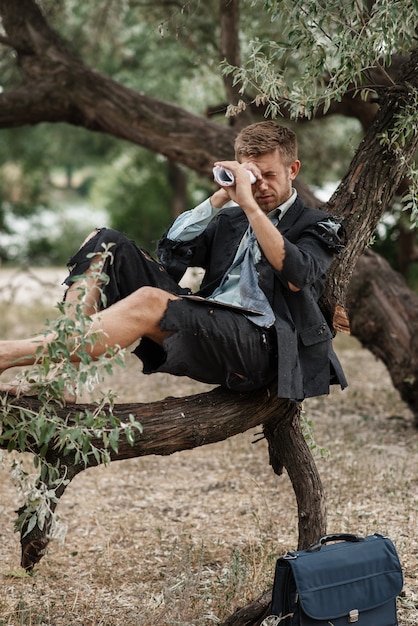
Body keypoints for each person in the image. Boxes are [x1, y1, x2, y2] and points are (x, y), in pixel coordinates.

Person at [0, 121, 347, 402]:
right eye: (254, 178)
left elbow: (296, 276)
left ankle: (7, 354)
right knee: (103, 242)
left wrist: (250, 206)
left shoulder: (318, 225)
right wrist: (219, 199)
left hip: (261, 347)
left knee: (152, 301)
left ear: (293, 169)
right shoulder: (231, 221)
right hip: (209, 321)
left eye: (269, 175)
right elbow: (171, 254)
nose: (261, 187)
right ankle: (64, 379)